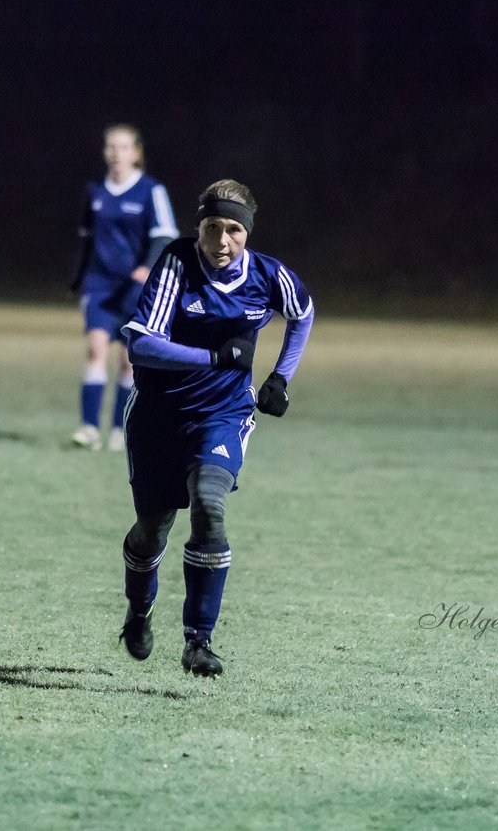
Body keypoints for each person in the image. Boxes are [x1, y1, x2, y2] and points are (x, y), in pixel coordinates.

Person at [116, 179, 315, 677]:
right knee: (152, 529)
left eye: (232, 230)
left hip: (223, 416)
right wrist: (212, 356)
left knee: (209, 501)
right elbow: (140, 345)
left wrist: (281, 378)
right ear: (198, 227)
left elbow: (303, 314)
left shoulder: (269, 276)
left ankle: (198, 641)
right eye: (211, 228)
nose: (221, 241)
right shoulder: (176, 266)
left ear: (246, 232)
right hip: (158, 418)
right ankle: (138, 613)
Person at [68, 124, 179, 452]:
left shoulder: (150, 191)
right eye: (111, 147)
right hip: (99, 285)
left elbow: (165, 234)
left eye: (123, 147)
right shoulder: (95, 192)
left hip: (135, 286)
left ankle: (120, 428)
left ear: (136, 153)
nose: (116, 154)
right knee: (95, 348)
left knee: (128, 361)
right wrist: (77, 281)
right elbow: (86, 240)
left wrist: (147, 267)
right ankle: (89, 428)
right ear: (105, 153)